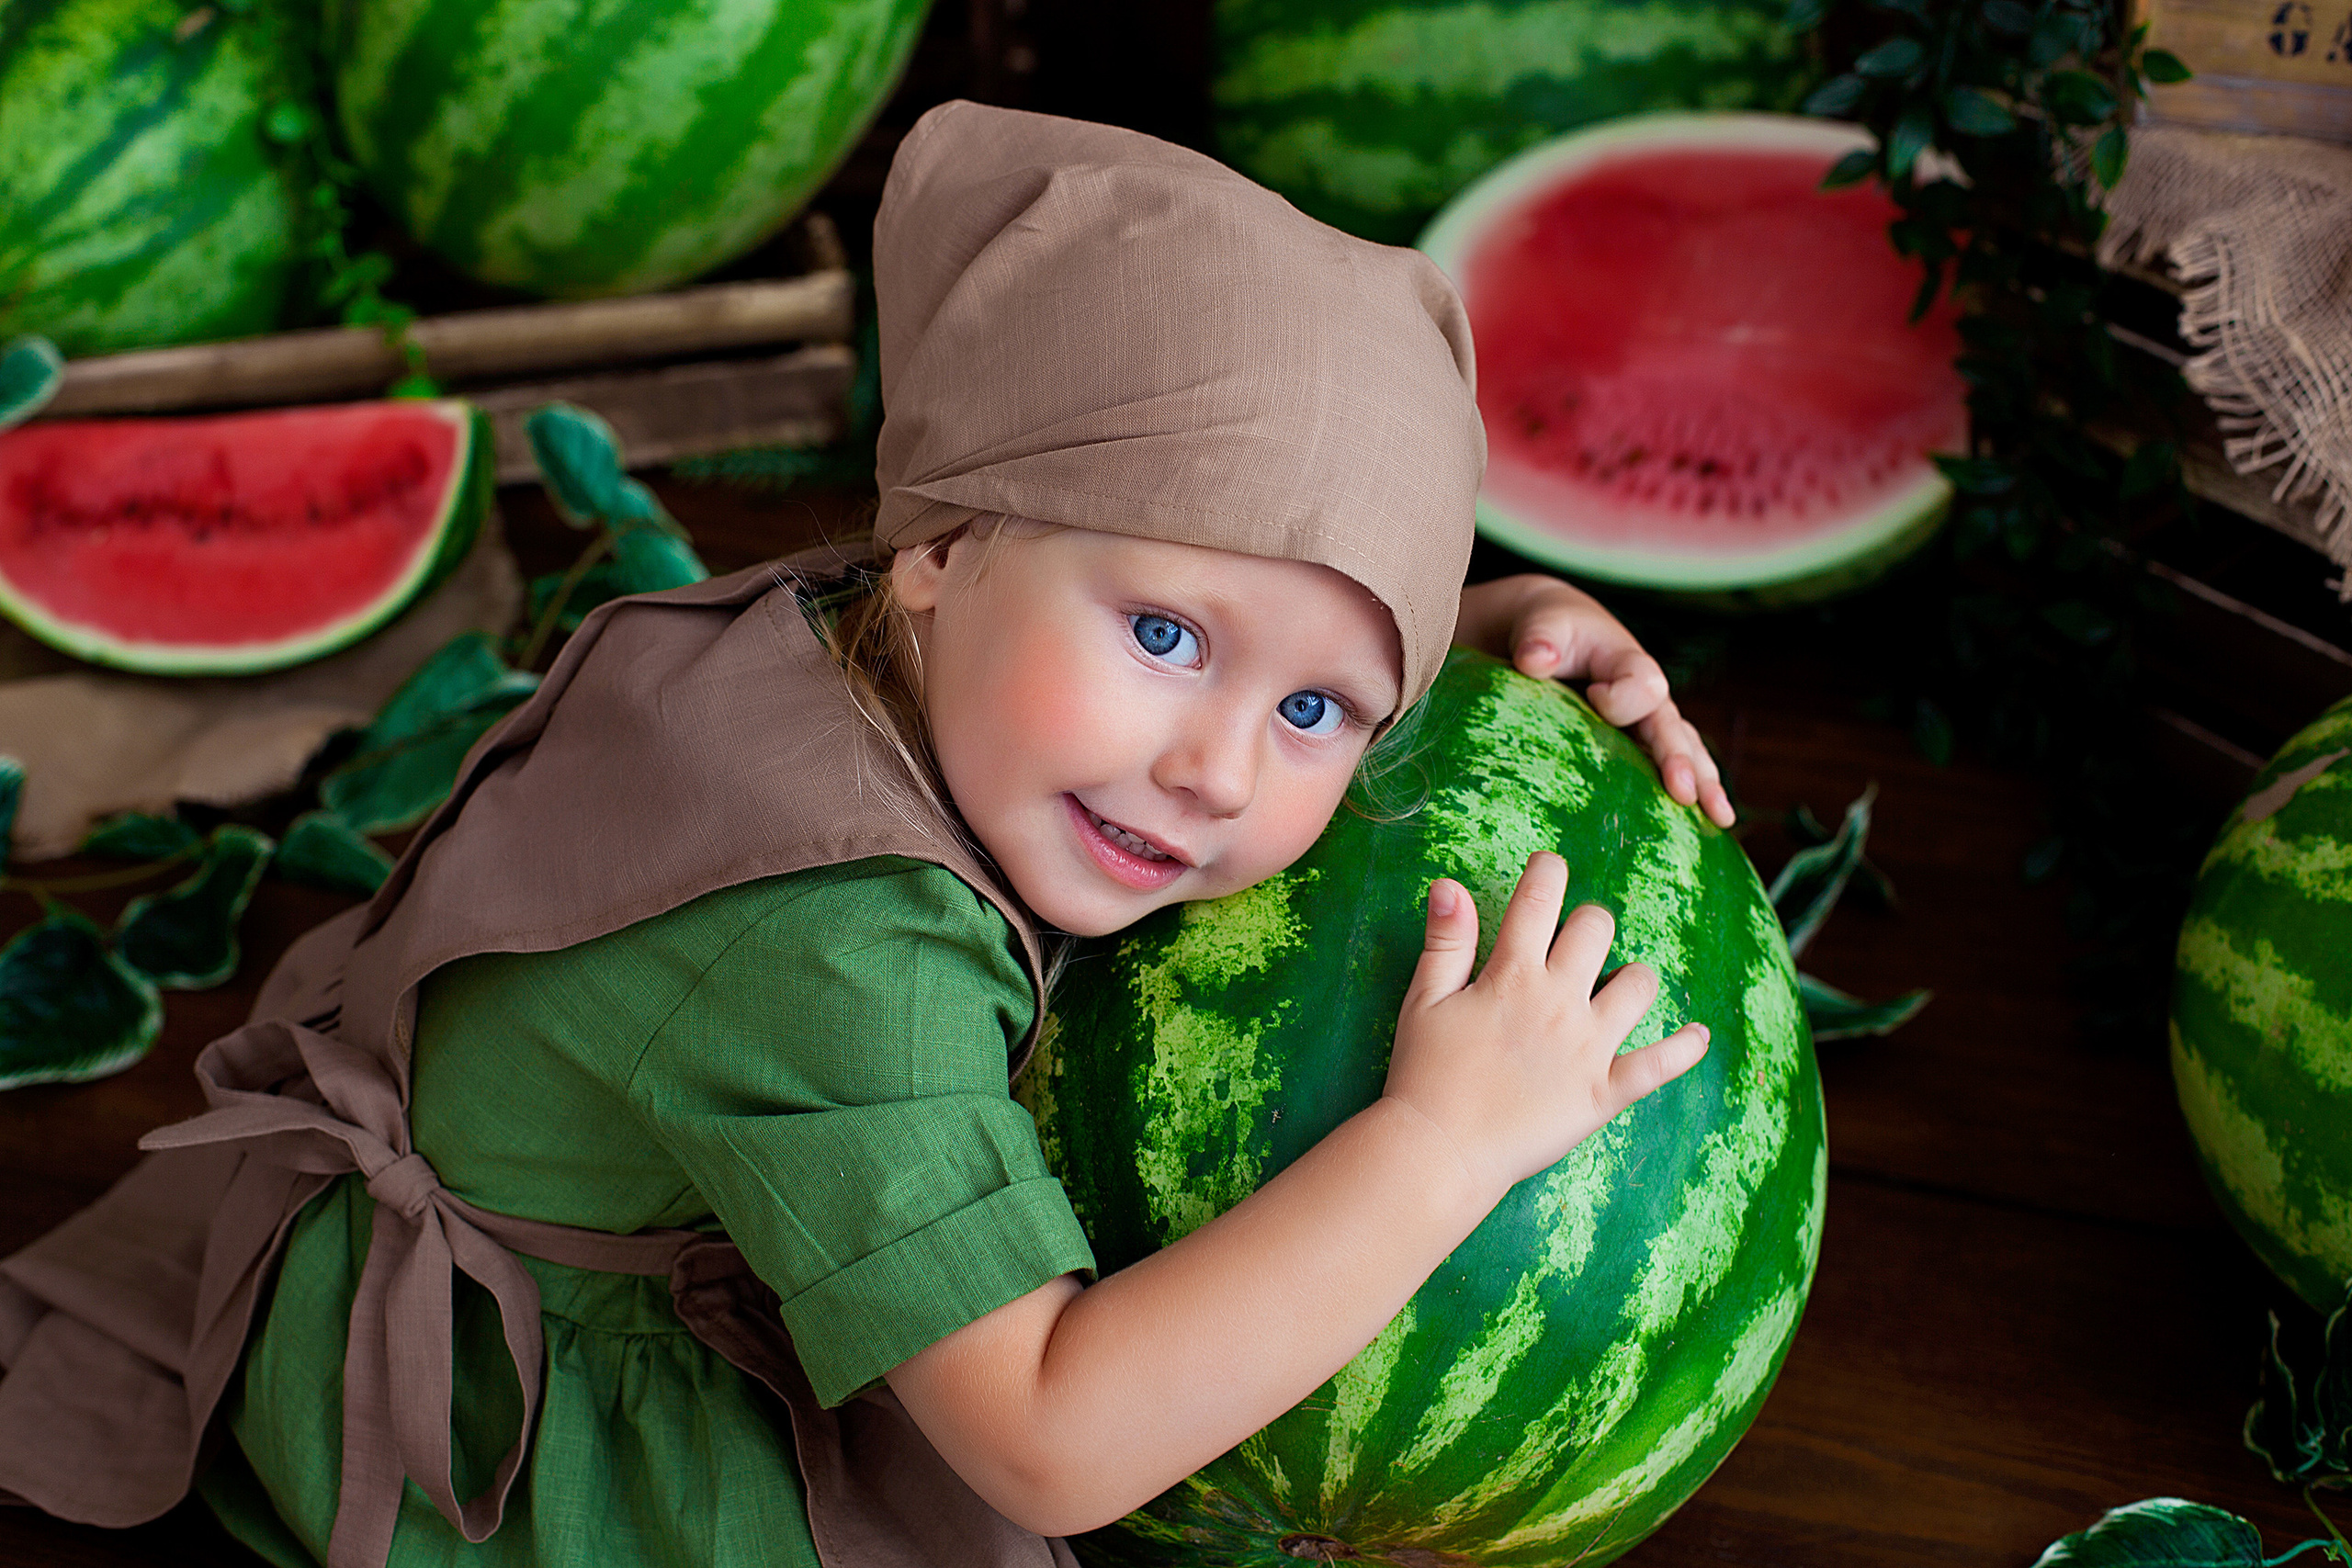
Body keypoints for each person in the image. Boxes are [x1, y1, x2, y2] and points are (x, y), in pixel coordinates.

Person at [0, 101, 1730, 1568]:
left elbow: (1237, 587)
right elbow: (1050, 1442)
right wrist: (1441, 1144)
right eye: (1166, 637)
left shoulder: (895, 627)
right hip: (524, 1430)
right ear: (944, 550)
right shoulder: (831, 945)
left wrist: (1474, 628)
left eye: (1320, 708)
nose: (1217, 771)